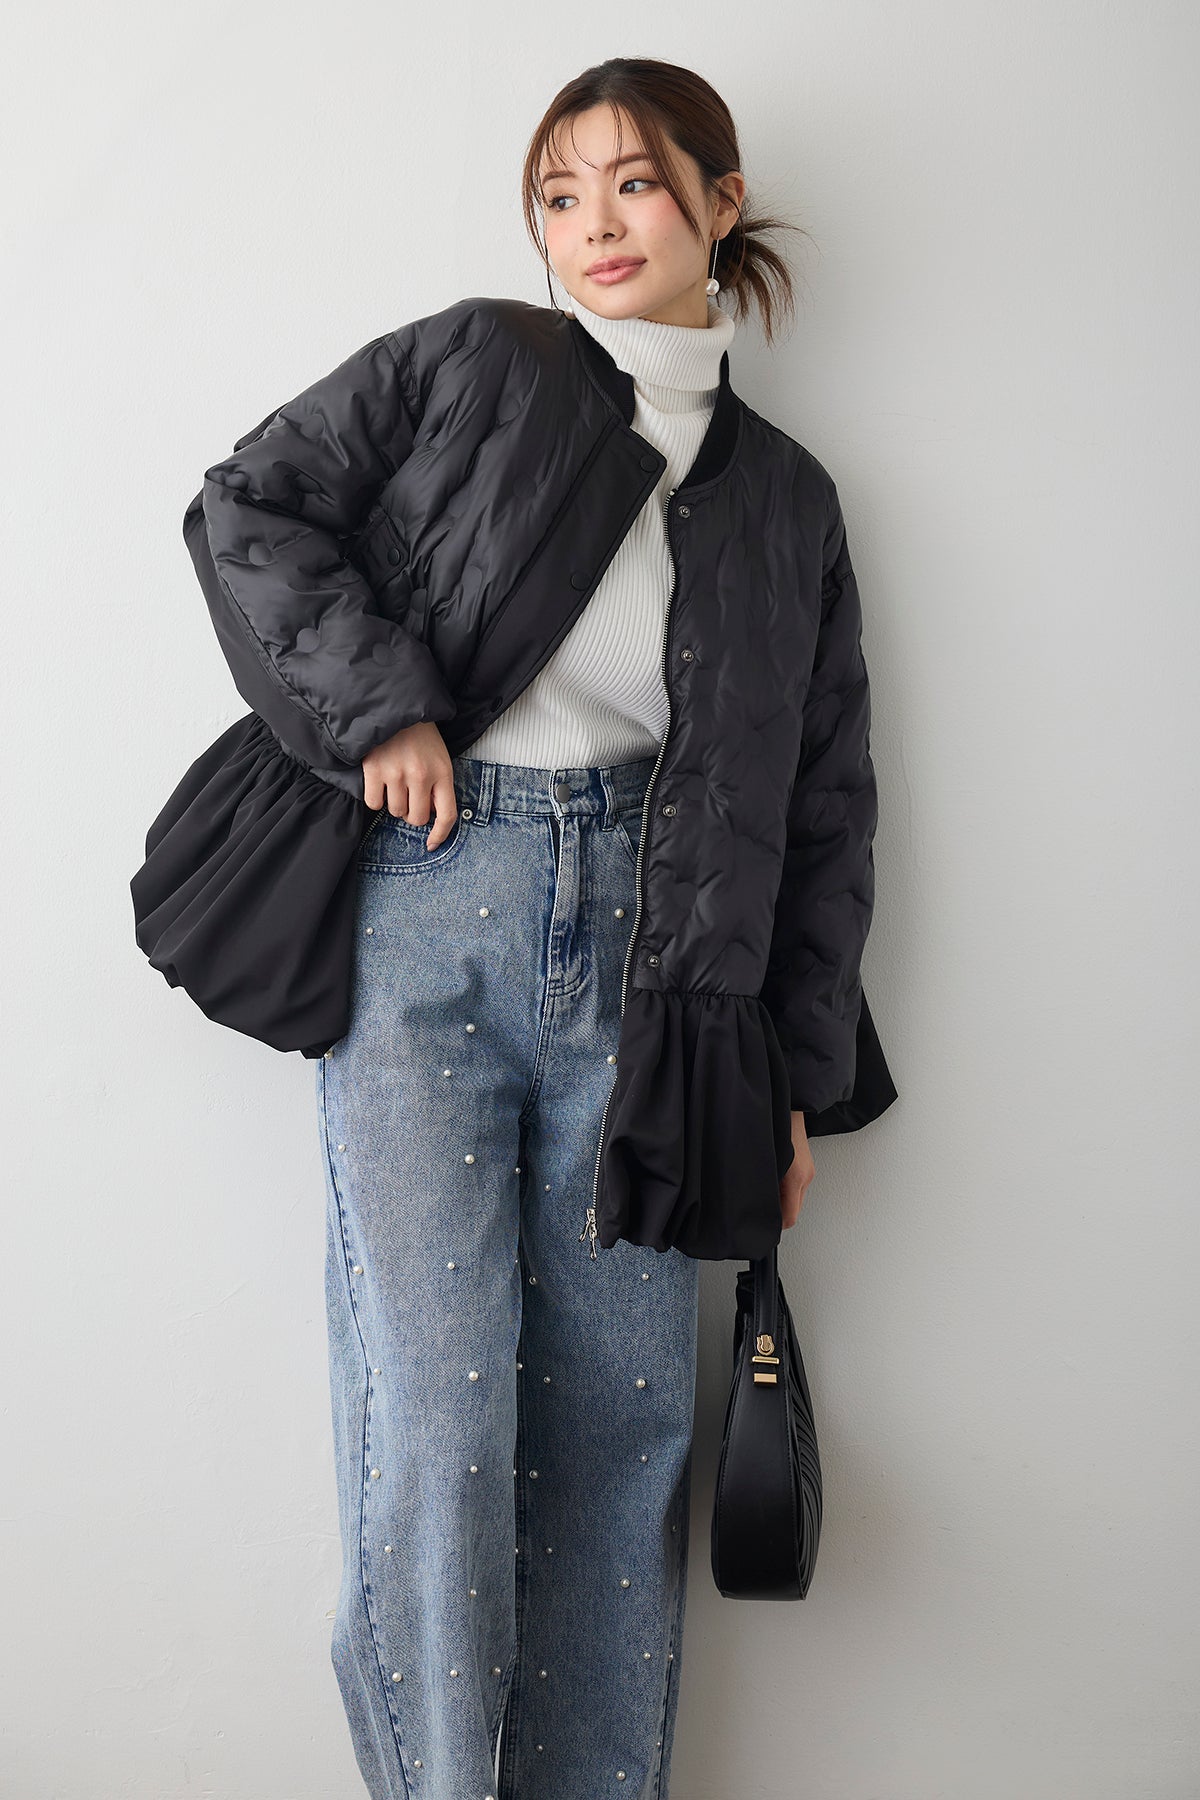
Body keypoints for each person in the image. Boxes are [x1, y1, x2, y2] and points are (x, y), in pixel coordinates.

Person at [200, 55, 895, 1800]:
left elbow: (821, 805)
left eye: (634, 183)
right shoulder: (479, 363)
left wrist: (791, 1077)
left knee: (622, 1431)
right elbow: (251, 501)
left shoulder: (787, 499)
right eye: (560, 193)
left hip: (665, 979)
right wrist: (382, 708)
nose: (594, 223)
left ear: (720, 204)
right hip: (428, 915)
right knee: (439, 1421)